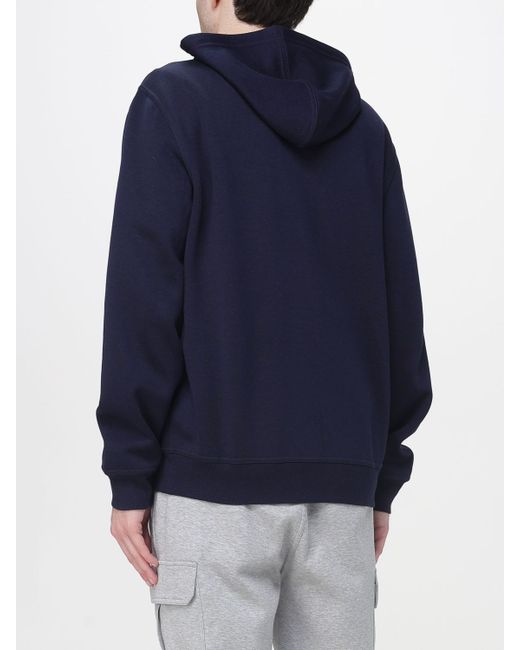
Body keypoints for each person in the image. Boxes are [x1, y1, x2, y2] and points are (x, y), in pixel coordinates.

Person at [96, 0, 432, 647]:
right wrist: (379, 478)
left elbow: (143, 303)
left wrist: (129, 473)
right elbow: (401, 319)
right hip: (341, 493)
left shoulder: (173, 102)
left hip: (209, 492)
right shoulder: (366, 130)